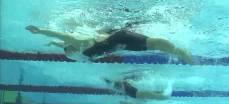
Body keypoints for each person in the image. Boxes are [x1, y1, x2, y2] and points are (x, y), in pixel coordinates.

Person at [25, 25, 194, 64]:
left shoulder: (80, 43)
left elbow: (62, 35)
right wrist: (52, 42)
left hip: (119, 38)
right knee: (153, 44)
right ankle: (179, 51)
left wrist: (40, 31)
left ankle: (181, 51)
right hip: (120, 42)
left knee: (155, 43)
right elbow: (60, 41)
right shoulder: (79, 52)